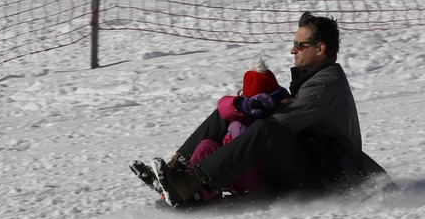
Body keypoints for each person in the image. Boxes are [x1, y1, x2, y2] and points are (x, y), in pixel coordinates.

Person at [145, 11, 385, 207]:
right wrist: (241, 106)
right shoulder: (316, 77)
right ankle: (176, 169)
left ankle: (194, 181)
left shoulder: (326, 83)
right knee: (229, 113)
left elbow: (284, 121)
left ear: (320, 49)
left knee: (266, 129)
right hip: (309, 161)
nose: (293, 50)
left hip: (323, 179)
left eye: (299, 45)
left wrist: (253, 108)